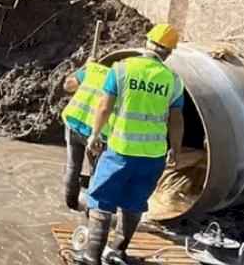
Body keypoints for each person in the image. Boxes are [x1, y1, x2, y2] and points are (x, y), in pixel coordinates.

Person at [73, 24, 185, 265]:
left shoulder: (121, 69)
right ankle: (116, 251)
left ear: (147, 43)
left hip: (121, 151)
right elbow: (176, 119)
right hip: (153, 156)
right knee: (134, 203)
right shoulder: (172, 80)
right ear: (169, 52)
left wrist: (94, 135)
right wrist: (175, 148)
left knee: (102, 199)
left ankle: (91, 256)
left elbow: (104, 106)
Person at [60, 49, 114, 212]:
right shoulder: (119, 78)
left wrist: (84, 67)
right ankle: (92, 212)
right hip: (97, 132)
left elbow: (67, 86)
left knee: (72, 167)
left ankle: (71, 204)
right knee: (96, 172)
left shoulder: (92, 69)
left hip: (73, 122)